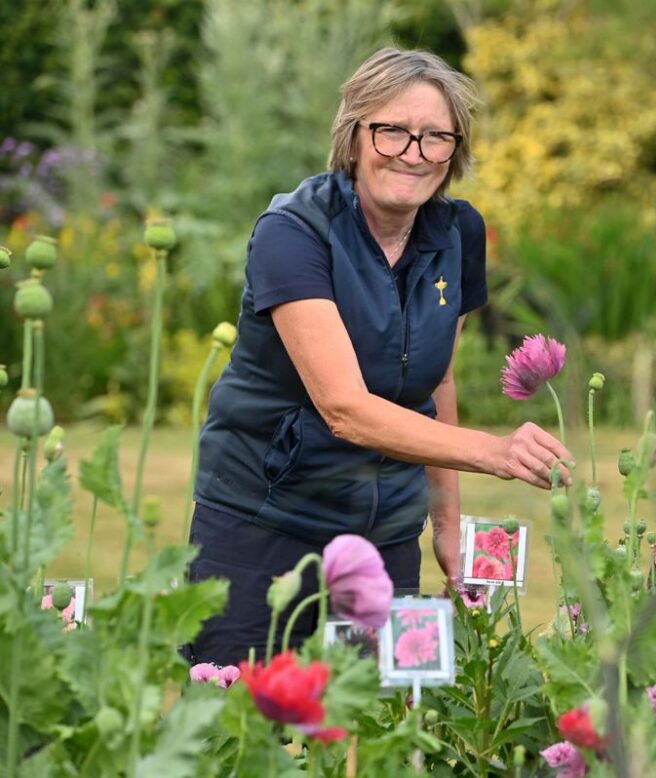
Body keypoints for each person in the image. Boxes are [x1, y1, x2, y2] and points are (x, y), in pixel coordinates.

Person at [186, 48, 571, 667]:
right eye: (392, 131)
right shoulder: (295, 231)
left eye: (435, 137)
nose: (413, 154)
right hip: (262, 523)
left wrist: (445, 523)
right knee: (240, 730)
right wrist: (494, 453)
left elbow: (437, 374)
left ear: (455, 149)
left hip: (384, 532)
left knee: (379, 731)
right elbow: (344, 408)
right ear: (354, 135)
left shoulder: (457, 234)